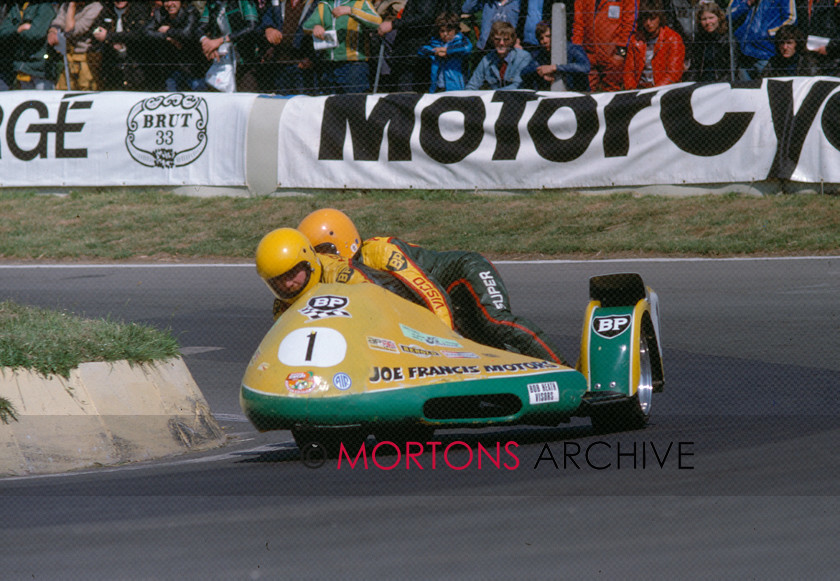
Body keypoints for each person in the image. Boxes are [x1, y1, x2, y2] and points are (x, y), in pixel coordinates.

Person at [297, 208, 569, 365]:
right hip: (441, 303)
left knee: (494, 322)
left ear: (342, 241)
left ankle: (566, 371)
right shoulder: (333, 278)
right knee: (489, 348)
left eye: (324, 250)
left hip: (462, 276)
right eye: (313, 254)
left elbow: (431, 293)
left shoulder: (381, 251)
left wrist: (447, 347)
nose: (321, 260)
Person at [256, 228, 450, 321]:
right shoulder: (281, 307)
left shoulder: (345, 274)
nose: (289, 284)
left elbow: (394, 304)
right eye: (279, 281)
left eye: (292, 274)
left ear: (308, 262)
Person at [377, 0, 461, 93]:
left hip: (415, 48)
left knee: (407, 92)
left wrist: (393, 24)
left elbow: (425, 15)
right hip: (424, 48)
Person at [303, 0, 382, 94]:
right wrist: (315, 26)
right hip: (328, 65)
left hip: (354, 66)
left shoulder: (361, 2)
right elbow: (306, 26)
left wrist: (351, 11)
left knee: (354, 104)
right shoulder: (324, 4)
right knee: (330, 104)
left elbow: (377, 22)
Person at [572, 0, 638, 91]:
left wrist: (621, 53)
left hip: (614, 56)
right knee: (586, 95)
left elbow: (630, 23)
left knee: (612, 94)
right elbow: (578, 24)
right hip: (589, 56)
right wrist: (577, 52)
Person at [197, 0, 262, 92]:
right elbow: (200, 28)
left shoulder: (243, 2)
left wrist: (221, 40)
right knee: (218, 93)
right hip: (221, 57)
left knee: (245, 96)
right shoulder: (212, 4)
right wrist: (206, 42)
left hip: (245, 58)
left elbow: (251, 26)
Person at [728, 0, 797, 81]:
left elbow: (791, 19)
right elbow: (728, 16)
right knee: (745, 91)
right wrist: (747, 4)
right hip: (743, 54)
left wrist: (770, 33)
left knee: (765, 89)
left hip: (766, 53)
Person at [259, 0, 318, 94]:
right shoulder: (278, 3)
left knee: (302, 103)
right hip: (280, 63)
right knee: (281, 102)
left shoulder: (316, 4)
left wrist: (312, 57)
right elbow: (266, 18)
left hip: (303, 65)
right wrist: (268, 28)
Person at [144, 0, 205, 91]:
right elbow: (146, 32)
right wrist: (167, 37)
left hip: (193, 66)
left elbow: (187, 33)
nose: (170, 4)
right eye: (166, 1)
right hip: (171, 66)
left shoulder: (190, 11)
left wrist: (168, 30)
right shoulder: (160, 13)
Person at [624, 0, 685, 89]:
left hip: (664, 90)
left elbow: (674, 74)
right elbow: (629, 72)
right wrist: (632, 92)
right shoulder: (635, 40)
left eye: (652, 18)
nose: (648, 23)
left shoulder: (673, 39)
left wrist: (654, 91)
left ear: (660, 18)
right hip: (640, 89)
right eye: (645, 19)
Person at [90, 1, 150, 90]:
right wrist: (107, 40)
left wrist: (109, 36)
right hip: (112, 59)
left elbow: (139, 34)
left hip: (134, 59)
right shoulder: (107, 10)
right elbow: (96, 29)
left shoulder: (139, 9)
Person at [48, 2, 105, 91]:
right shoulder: (65, 5)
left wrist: (72, 6)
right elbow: (58, 21)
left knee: (86, 88)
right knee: (63, 88)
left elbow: (72, 30)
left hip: (86, 57)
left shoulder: (95, 7)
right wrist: (53, 31)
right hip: (68, 55)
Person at [1, 3, 58, 91]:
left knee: (44, 99)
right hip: (22, 66)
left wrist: (14, 34)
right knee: (27, 101)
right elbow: (3, 32)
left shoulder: (44, 7)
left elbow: (35, 34)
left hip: (40, 69)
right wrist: (18, 29)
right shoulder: (15, 8)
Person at [465, 20, 534, 90]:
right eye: (497, 39)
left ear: (512, 41)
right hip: (494, 98)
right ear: (492, 39)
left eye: (506, 40)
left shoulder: (523, 57)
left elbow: (518, 86)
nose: (501, 43)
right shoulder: (487, 59)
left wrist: (493, 94)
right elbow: (472, 85)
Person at [523, 20, 590, 91]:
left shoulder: (573, 49)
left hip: (577, 93)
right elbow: (524, 72)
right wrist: (541, 72)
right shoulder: (540, 54)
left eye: (548, 36)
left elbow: (585, 67)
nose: (544, 41)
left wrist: (555, 68)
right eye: (541, 38)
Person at [418, 11, 473, 92]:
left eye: (449, 30)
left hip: (457, 88)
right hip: (438, 87)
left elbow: (467, 47)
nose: (445, 34)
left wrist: (447, 51)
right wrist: (435, 52)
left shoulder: (461, 41)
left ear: (455, 29)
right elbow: (421, 50)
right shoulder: (435, 42)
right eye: (442, 31)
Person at [685, 1, 732, 82]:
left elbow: (731, 71)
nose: (708, 22)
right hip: (702, 82)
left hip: (721, 84)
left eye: (711, 18)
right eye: (704, 19)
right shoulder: (699, 39)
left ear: (719, 18)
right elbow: (694, 68)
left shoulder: (727, 39)